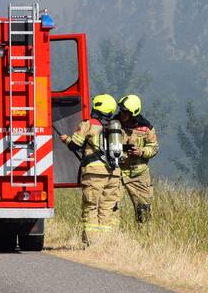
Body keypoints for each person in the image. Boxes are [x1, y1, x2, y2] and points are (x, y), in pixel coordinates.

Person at [60, 93, 122, 246]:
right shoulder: (115, 127)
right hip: (114, 173)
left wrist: (66, 140)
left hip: (94, 173)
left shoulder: (88, 124)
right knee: (107, 209)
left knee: (91, 207)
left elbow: (75, 144)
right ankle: (106, 243)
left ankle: (92, 243)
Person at [118, 94, 159, 223]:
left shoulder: (146, 128)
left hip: (139, 175)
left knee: (143, 210)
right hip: (116, 173)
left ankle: (144, 233)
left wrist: (141, 152)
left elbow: (154, 148)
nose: (122, 114)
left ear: (133, 113)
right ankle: (112, 234)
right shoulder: (113, 125)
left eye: (125, 112)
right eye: (121, 110)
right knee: (110, 207)